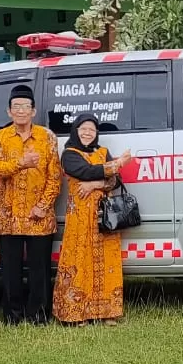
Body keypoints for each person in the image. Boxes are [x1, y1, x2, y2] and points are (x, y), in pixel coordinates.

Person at [0, 84, 62, 325]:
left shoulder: (47, 137)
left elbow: (55, 176)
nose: (21, 111)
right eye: (16, 107)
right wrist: (21, 162)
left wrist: (43, 205)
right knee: (11, 271)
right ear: (9, 111)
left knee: (39, 270)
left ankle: (39, 314)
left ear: (34, 111)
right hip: (8, 215)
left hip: (38, 215)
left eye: (25, 107)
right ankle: (13, 316)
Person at [53, 113, 135, 325]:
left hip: (104, 216)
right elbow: (84, 171)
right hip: (80, 217)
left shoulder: (103, 152)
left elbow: (116, 182)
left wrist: (97, 185)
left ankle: (107, 312)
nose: (88, 133)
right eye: (83, 129)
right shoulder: (69, 153)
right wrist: (116, 165)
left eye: (92, 129)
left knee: (106, 261)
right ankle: (76, 313)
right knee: (79, 259)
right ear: (76, 131)